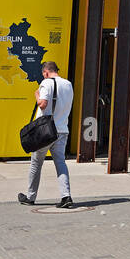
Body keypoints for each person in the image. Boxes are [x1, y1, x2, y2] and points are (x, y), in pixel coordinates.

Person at [18, 61, 75, 208]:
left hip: (46, 132)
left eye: (43, 74)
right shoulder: (68, 84)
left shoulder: (47, 83)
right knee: (60, 163)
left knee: (36, 164)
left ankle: (30, 197)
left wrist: (37, 94)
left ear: (46, 72)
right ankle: (66, 196)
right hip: (62, 130)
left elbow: (42, 104)